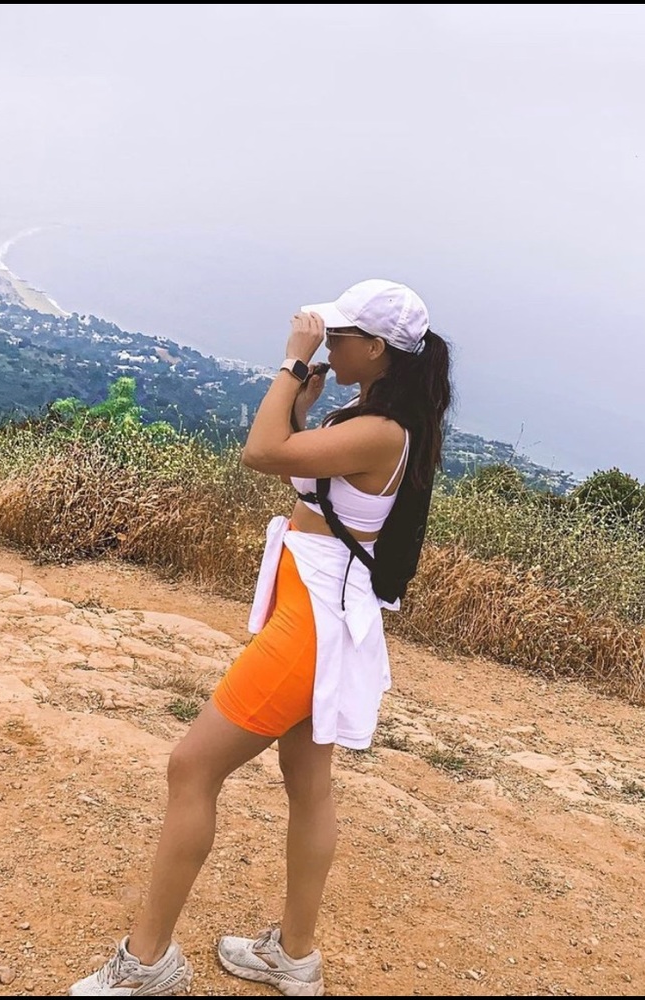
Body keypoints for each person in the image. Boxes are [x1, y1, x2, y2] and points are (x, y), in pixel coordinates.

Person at [68, 279, 452, 997]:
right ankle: (293, 957)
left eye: (340, 337)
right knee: (308, 785)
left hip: (311, 620)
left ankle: (148, 962)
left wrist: (289, 364)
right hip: (317, 608)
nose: (328, 344)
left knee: (192, 767)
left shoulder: (379, 429)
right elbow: (299, 459)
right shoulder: (372, 413)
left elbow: (259, 451)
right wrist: (308, 401)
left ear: (378, 349)